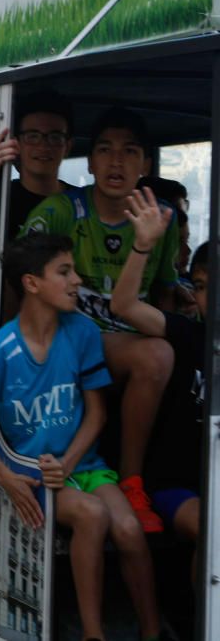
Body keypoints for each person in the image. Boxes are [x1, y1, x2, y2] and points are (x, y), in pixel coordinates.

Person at [0, 233, 161, 641]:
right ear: (32, 283)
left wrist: (68, 463)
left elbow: (97, 413)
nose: (76, 282)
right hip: (32, 476)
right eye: (64, 272)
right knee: (92, 515)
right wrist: (6, 476)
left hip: (81, 465)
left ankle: (154, 632)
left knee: (129, 529)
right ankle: (93, 633)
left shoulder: (82, 332)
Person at [20, 106, 180, 533]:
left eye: (130, 152)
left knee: (165, 357)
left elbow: (163, 294)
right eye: (105, 150)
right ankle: (128, 481)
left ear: (145, 163)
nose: (116, 161)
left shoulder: (163, 216)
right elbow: (21, 286)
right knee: (157, 356)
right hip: (66, 342)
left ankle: (134, 483)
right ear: (88, 162)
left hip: (128, 343)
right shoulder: (58, 211)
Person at [111, 188, 207, 580]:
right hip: (177, 488)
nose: (208, 296)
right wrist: (143, 246)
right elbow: (124, 306)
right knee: (214, 533)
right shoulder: (187, 334)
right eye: (200, 286)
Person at [0, 92, 75, 261]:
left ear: (68, 146)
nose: (43, 145)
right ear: (15, 143)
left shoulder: (79, 202)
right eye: (32, 136)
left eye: (55, 137)